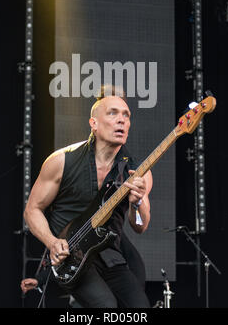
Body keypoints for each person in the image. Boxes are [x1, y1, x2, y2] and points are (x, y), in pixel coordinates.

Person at [23, 86, 153, 308]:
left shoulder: (137, 171)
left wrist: (137, 203)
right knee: (106, 307)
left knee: (139, 308)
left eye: (126, 115)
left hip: (110, 256)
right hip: (71, 256)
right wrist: (52, 242)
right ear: (93, 123)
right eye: (113, 113)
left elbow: (140, 225)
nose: (121, 120)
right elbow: (32, 210)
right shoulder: (61, 161)